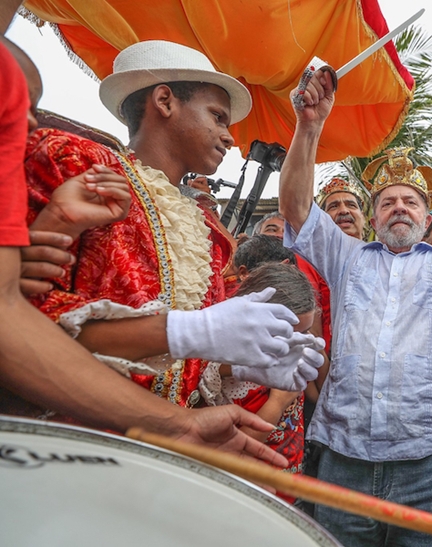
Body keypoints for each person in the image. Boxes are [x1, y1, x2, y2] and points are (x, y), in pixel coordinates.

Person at [0, 32, 285, 464]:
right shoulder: (75, 163)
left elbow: (188, 361)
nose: (229, 138)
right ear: (165, 101)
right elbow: (23, 312)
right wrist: (193, 334)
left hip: (161, 455)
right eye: (217, 117)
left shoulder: (210, 234)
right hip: (57, 449)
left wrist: (247, 364)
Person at [278, 65, 432, 547]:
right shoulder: (346, 256)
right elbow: (297, 210)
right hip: (343, 456)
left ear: (426, 217)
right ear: (373, 217)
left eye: (411, 201)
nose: (400, 207)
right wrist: (309, 127)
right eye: (388, 202)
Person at [216, 262, 318, 486]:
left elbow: (312, 393)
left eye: (305, 332)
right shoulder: (222, 367)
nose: (297, 343)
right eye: (286, 334)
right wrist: (277, 403)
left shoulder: (292, 357)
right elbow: (231, 450)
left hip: (288, 482)